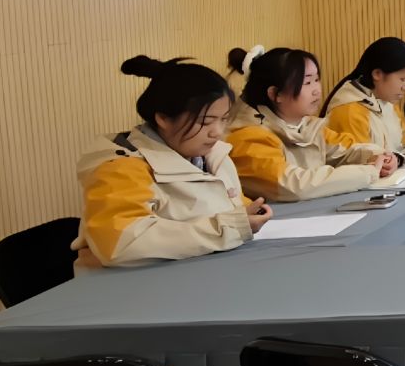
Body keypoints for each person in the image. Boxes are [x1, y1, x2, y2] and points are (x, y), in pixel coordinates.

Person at [77, 56, 270, 266]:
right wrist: (229, 227)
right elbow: (122, 243)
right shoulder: (121, 169)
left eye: (223, 119)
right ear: (163, 118)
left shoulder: (212, 155)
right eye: (205, 122)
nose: (217, 132)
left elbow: (228, 209)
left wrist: (249, 212)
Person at [228, 46, 400, 203]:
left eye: (317, 79)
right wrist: (367, 172)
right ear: (275, 94)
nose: (317, 90)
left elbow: (346, 149)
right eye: (307, 83)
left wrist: (381, 157)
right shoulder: (248, 136)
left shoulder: (306, 124)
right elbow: (295, 186)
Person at [324, 36, 405, 153]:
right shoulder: (349, 112)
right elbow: (361, 160)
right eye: (402, 79)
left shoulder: (389, 104)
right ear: (377, 74)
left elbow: (401, 150)